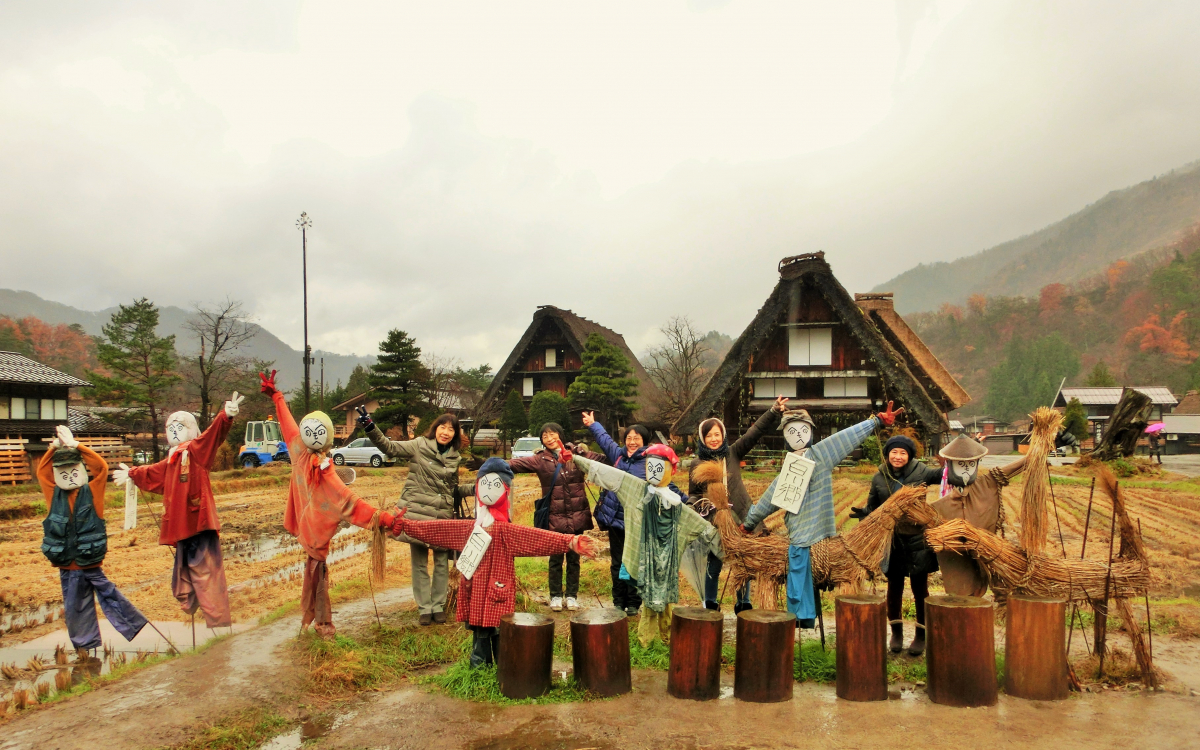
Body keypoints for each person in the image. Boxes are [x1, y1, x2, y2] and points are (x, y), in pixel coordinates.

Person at [391, 457, 596, 667]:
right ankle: (480, 667)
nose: (489, 490)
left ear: (505, 490)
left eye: (495, 485)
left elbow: (536, 538)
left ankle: (503, 667)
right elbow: (438, 530)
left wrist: (570, 541)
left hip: (498, 589)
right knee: (479, 631)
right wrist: (406, 526)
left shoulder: (506, 531)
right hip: (475, 589)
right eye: (485, 484)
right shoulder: (470, 528)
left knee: (500, 628)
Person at [743, 403, 903, 626]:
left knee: (801, 565)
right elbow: (771, 497)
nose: (798, 435)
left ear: (810, 431)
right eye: (791, 432)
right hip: (800, 531)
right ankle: (803, 617)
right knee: (798, 564)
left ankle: (805, 617)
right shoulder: (789, 467)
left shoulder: (822, 454)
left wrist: (876, 421)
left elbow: (847, 437)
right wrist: (749, 522)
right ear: (785, 437)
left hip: (819, 531)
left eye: (802, 430)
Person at [262, 371, 393, 636]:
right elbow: (288, 426)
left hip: (315, 533)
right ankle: (321, 623)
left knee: (316, 574)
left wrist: (382, 518)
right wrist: (277, 398)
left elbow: (351, 503)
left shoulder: (320, 468)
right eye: (307, 431)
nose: (308, 435)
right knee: (316, 574)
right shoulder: (303, 455)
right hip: (308, 526)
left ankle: (321, 622)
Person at [114, 393, 243, 629]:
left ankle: (219, 626)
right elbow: (153, 472)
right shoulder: (172, 459)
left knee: (206, 575)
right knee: (183, 576)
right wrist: (132, 473)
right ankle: (198, 613)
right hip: (182, 527)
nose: (174, 430)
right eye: (170, 426)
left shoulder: (196, 450)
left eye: (180, 426)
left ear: (192, 430)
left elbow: (213, 436)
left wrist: (225, 417)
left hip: (198, 524)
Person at [573, 446, 721, 646]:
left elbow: (703, 528)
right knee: (652, 600)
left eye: (659, 466)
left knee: (666, 598)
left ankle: (666, 637)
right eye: (650, 465)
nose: (654, 470)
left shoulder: (677, 505)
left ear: (672, 469)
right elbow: (608, 474)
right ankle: (647, 641)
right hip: (644, 558)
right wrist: (576, 459)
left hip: (667, 563)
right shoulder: (636, 489)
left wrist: (730, 547)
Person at [38, 426, 148, 653]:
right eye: (62, 472)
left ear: (81, 469)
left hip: (89, 560)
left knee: (105, 594)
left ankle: (129, 627)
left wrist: (77, 446)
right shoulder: (53, 493)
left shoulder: (93, 491)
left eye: (73, 469)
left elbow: (101, 467)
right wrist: (54, 448)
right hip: (68, 563)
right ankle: (88, 646)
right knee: (76, 605)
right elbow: (42, 472)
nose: (68, 475)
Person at [357, 405, 461, 626]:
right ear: (435, 429)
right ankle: (425, 608)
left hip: (442, 515)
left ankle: (438, 606)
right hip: (417, 513)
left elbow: (453, 488)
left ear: (455, 434)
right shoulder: (419, 445)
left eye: (451, 429)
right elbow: (390, 447)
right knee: (420, 562)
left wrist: (481, 485)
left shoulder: (455, 456)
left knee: (442, 562)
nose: (446, 432)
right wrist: (370, 427)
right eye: (443, 427)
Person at [687, 395, 789, 613]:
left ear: (723, 435)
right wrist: (694, 505)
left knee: (743, 562)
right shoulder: (697, 463)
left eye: (717, 434)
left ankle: (743, 602)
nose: (714, 439)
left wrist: (773, 411)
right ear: (702, 438)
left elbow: (754, 434)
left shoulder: (732, 453)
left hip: (741, 516)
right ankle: (710, 602)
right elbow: (694, 494)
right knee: (714, 562)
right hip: (715, 521)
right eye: (709, 435)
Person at [582, 412, 686, 616]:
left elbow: (667, 484)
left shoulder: (651, 462)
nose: (631, 442)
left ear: (644, 442)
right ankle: (618, 601)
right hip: (615, 520)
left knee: (635, 561)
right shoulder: (618, 456)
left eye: (636, 438)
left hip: (638, 521)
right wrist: (593, 424)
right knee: (617, 561)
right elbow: (605, 440)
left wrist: (686, 499)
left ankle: (633, 602)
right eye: (628, 438)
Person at [850, 434, 941, 656]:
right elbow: (874, 505)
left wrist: (953, 462)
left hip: (918, 537)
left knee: (920, 587)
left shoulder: (922, 473)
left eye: (902, 453)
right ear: (888, 454)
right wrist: (865, 513)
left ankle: (921, 634)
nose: (898, 456)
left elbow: (943, 475)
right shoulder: (879, 477)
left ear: (909, 455)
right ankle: (896, 633)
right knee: (894, 586)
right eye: (894, 452)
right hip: (892, 538)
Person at [509, 422, 607, 612]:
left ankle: (571, 596)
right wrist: (489, 464)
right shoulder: (540, 460)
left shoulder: (577, 454)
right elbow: (514, 464)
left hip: (576, 513)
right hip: (554, 516)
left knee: (574, 558)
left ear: (561, 435)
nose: (549, 438)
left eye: (552, 434)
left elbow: (604, 459)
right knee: (555, 559)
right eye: (545, 436)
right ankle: (555, 596)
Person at [930, 434, 1026, 597]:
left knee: (982, 590)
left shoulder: (987, 484)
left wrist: (1042, 449)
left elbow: (1016, 467)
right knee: (959, 595)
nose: (966, 468)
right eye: (961, 464)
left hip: (986, 557)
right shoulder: (939, 507)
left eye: (971, 464)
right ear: (950, 466)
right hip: (956, 565)